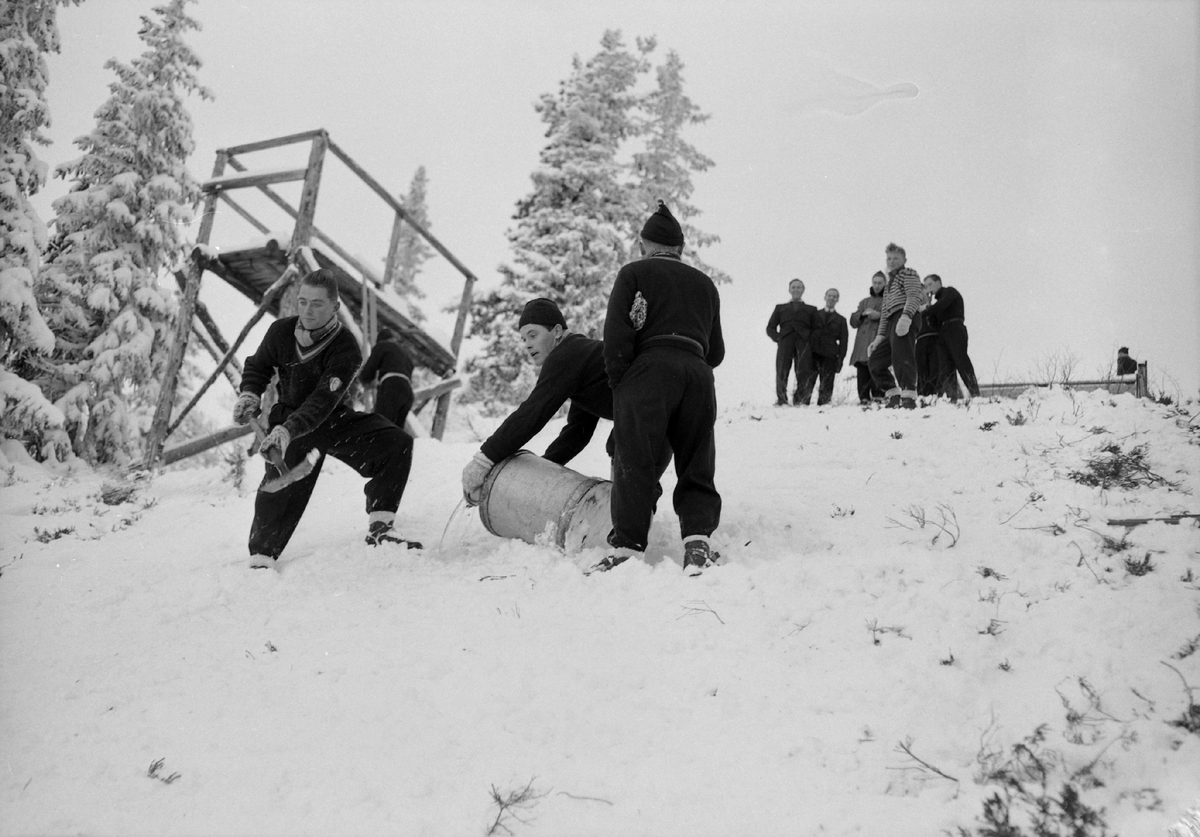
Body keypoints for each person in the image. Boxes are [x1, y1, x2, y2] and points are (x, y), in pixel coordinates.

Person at [232, 268, 421, 569]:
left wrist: (287, 430)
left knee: (395, 443)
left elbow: (322, 400)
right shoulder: (281, 331)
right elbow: (258, 366)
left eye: (317, 304)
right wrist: (250, 393)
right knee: (279, 485)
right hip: (288, 416)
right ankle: (262, 557)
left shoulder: (346, 347)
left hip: (331, 419)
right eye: (303, 301)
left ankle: (381, 526)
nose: (307, 310)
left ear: (334, 307)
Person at [601, 201, 725, 575]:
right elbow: (716, 351)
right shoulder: (706, 285)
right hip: (698, 373)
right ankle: (698, 544)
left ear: (645, 244)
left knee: (635, 458)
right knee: (696, 459)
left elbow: (616, 336)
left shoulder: (634, 273)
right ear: (680, 249)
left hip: (649, 370)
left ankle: (627, 548)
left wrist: (621, 384)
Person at [459, 298, 671, 504]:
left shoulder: (566, 355)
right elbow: (577, 432)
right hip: (664, 410)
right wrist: (543, 469)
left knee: (624, 464)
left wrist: (484, 459)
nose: (527, 344)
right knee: (630, 489)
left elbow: (532, 412)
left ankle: (629, 523)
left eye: (533, 335)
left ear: (558, 331)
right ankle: (632, 520)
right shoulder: (582, 357)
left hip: (658, 407)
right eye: (523, 339)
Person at [867, 243, 924, 409]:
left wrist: (906, 317)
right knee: (876, 361)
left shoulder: (909, 273)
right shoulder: (889, 283)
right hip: (892, 320)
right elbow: (884, 312)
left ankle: (909, 395)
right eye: (889, 258)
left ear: (904, 260)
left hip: (906, 315)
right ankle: (892, 394)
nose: (892, 261)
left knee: (902, 356)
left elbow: (914, 295)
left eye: (896, 259)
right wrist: (879, 337)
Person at [923, 274, 980, 400]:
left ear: (938, 282)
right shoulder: (935, 304)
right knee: (945, 367)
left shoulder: (950, 292)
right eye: (926, 286)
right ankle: (952, 397)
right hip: (943, 333)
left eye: (930, 284)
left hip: (955, 328)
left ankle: (975, 394)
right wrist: (928, 304)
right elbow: (933, 323)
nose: (928, 288)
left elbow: (941, 306)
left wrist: (926, 310)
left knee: (961, 361)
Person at [766, 279, 817, 405]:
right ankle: (781, 400)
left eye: (799, 287)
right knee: (782, 370)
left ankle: (801, 400)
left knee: (803, 371)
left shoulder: (811, 309)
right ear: (789, 290)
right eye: (793, 287)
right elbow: (770, 327)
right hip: (785, 342)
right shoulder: (780, 308)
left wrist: (809, 339)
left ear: (803, 290)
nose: (796, 290)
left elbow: (816, 329)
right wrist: (778, 338)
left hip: (803, 342)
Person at [359, 327, 415, 430]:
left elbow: (368, 372)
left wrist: (365, 380)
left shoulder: (382, 346)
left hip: (392, 388)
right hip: (408, 393)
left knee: (381, 426)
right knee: (396, 431)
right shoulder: (405, 354)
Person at [803, 288, 848, 406]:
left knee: (827, 382)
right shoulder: (815, 315)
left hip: (830, 355)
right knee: (808, 380)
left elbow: (844, 341)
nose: (831, 298)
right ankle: (803, 403)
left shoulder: (841, 320)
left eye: (834, 296)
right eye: (829, 295)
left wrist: (840, 359)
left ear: (837, 299)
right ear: (825, 297)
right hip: (813, 353)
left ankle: (824, 405)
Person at [848, 272, 886, 404]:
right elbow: (853, 322)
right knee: (863, 370)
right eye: (875, 283)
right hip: (863, 342)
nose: (876, 286)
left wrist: (879, 315)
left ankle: (879, 396)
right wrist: (862, 314)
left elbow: (892, 317)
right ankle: (863, 397)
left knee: (877, 367)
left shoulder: (888, 300)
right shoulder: (864, 302)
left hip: (878, 339)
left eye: (880, 283)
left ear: (885, 284)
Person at [914, 285, 943, 399]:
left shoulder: (934, 309)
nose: (922, 297)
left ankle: (934, 394)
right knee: (921, 370)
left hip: (934, 339)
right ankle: (922, 395)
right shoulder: (914, 311)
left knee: (934, 368)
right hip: (920, 341)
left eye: (925, 294)